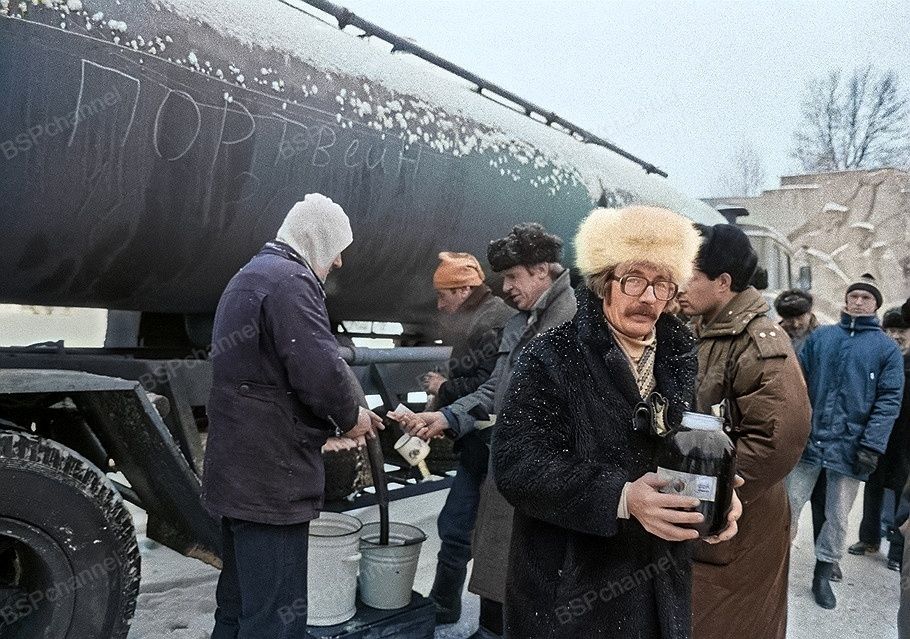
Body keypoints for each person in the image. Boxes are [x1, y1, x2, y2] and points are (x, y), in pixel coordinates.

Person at [492, 206, 742, 639]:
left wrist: (713, 495)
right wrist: (621, 496)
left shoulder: (677, 356)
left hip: (657, 583)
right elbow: (517, 465)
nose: (648, 297)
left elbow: (679, 448)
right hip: (572, 593)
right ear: (604, 281)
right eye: (634, 279)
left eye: (662, 283)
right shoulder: (551, 355)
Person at [202, 194, 383, 638]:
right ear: (316, 238)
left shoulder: (248, 276)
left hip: (237, 475)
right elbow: (319, 369)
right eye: (336, 247)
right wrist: (352, 417)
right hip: (272, 482)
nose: (338, 261)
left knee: (237, 607)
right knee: (276, 619)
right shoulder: (291, 282)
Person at [392, 222, 576, 639]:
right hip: (504, 463)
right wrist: (446, 417)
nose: (505, 287)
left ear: (541, 270)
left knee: (532, 570)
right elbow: (495, 387)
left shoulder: (572, 324)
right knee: (495, 555)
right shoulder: (521, 321)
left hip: (542, 475)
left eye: (512, 276)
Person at [677, 224, 810, 639]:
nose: (678, 285)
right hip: (701, 508)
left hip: (738, 515)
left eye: (689, 275)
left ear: (723, 282)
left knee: (725, 622)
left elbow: (778, 439)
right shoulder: (704, 330)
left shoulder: (757, 342)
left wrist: (711, 494)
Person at [786, 273, 904, 609]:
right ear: (846, 300)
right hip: (809, 442)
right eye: (854, 296)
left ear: (875, 305)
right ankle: (774, 564)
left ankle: (823, 573)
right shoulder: (822, 338)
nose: (858, 302)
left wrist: (872, 445)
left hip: (851, 447)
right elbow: (797, 383)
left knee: (838, 516)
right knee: (787, 505)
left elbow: (889, 400)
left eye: (866, 298)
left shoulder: (885, 349)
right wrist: (795, 429)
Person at [419, 251, 514, 624]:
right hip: (480, 443)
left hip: (489, 444)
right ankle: (446, 604)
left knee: (471, 530)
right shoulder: (483, 317)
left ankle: (457, 609)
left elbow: (488, 386)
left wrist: (443, 389)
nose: (439, 304)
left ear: (463, 290)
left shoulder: (491, 323)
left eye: (443, 295)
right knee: (458, 526)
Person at [774, 288, 835, 576]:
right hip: (789, 424)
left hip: (824, 423)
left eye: (800, 316)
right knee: (789, 498)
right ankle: (781, 553)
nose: (795, 323)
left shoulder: (825, 338)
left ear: (810, 313)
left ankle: (827, 560)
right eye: (789, 318)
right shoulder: (776, 335)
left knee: (825, 501)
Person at [846, 306, 910, 571]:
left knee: (902, 496)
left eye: (902, 330)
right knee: (873, 486)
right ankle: (869, 539)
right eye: (890, 330)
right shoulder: (883, 359)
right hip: (880, 434)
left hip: (906, 440)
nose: (895, 336)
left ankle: (898, 550)